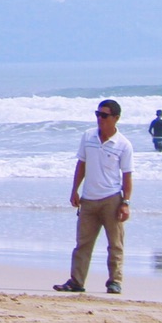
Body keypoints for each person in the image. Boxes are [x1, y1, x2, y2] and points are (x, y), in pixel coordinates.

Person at [55, 99, 134, 295]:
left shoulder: (123, 144)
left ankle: (115, 281)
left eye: (104, 116)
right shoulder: (88, 136)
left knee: (115, 244)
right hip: (88, 200)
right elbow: (81, 164)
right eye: (97, 114)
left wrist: (126, 203)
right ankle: (76, 281)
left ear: (116, 118)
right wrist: (75, 190)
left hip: (112, 199)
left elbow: (127, 175)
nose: (100, 119)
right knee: (83, 243)